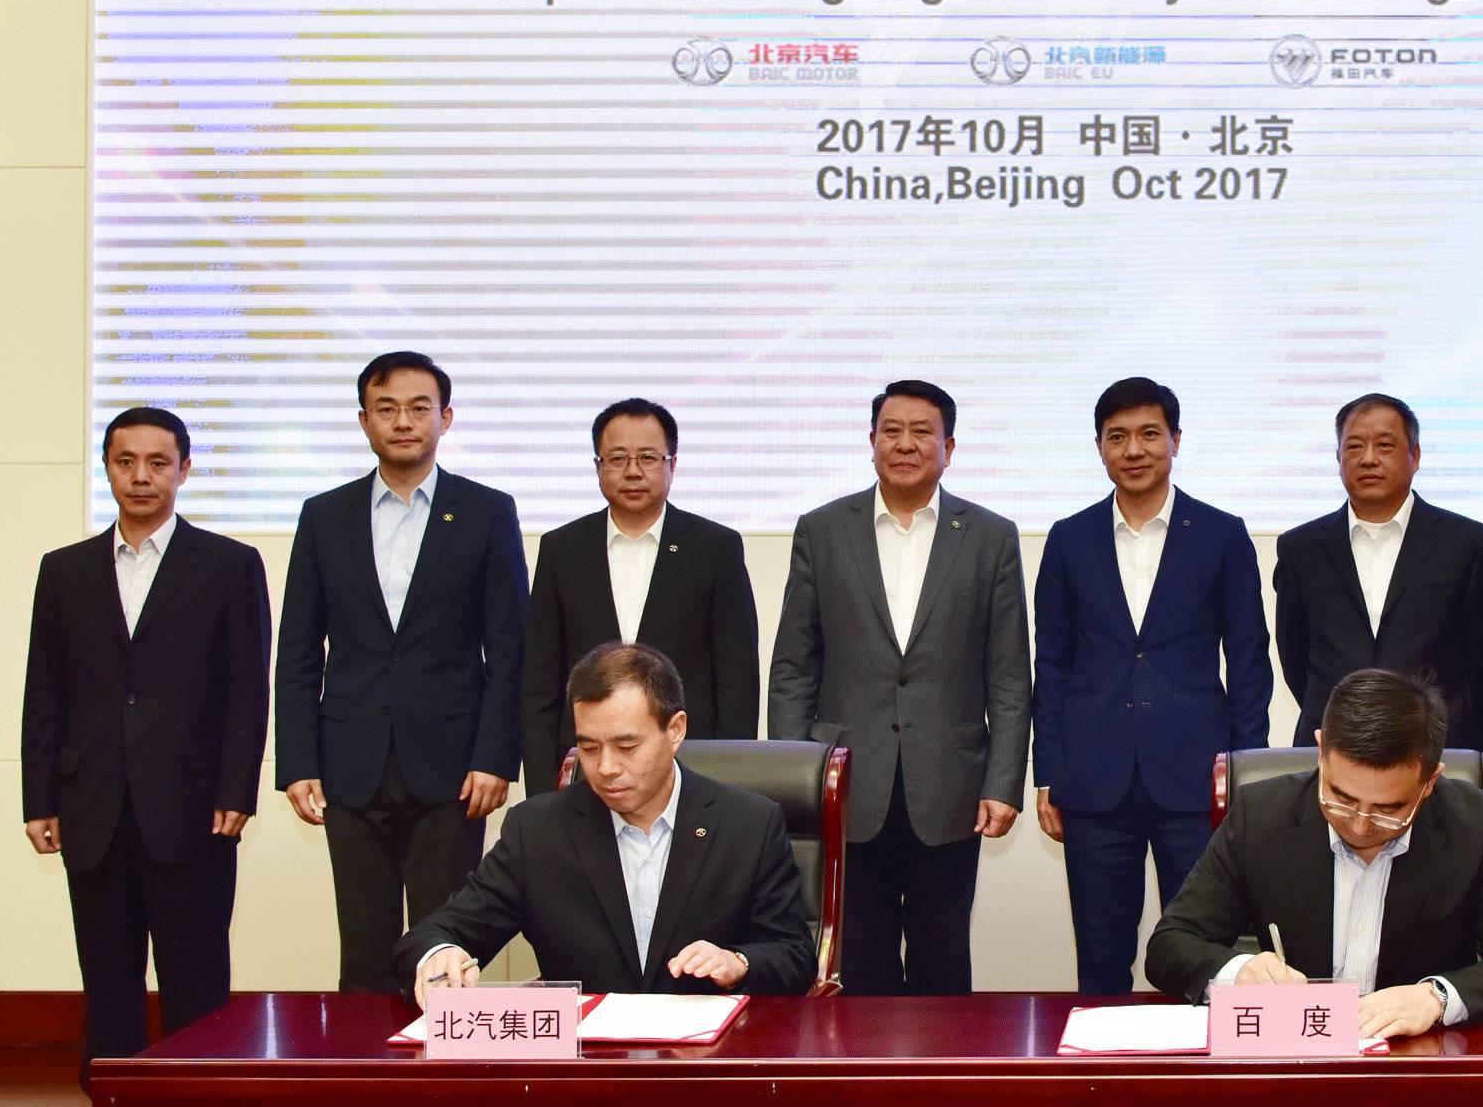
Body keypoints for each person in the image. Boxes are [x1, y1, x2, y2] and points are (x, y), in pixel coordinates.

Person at [20, 406, 269, 1107]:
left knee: (196, 981)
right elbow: (45, 692)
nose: (141, 476)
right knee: (110, 984)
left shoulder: (228, 565)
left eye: (158, 462)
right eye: (126, 460)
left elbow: (246, 689)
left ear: (184, 469)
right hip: (91, 805)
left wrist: (237, 787)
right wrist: (39, 796)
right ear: (107, 467)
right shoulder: (65, 570)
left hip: (195, 808)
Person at [273, 352, 528, 994]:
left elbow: (510, 649)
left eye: (419, 408)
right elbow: (298, 650)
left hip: (454, 769)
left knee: (446, 944)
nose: (404, 421)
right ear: (364, 421)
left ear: (446, 418)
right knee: (363, 946)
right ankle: (364, 1061)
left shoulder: (487, 512)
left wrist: (496, 758)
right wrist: (298, 761)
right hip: (349, 762)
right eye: (386, 409)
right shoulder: (324, 515)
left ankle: (444, 1060)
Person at [768, 379, 1032, 995]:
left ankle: (945, 1061)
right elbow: (794, 666)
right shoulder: (822, 530)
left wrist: (1002, 783)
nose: (905, 444)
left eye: (921, 432)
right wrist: (797, 776)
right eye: (892, 431)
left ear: (949, 448)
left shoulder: (990, 536)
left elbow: (1008, 675)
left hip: (951, 784)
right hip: (846, 783)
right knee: (859, 965)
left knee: (943, 962)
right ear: (871, 442)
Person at [1146, 668, 1483, 1034]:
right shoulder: (1260, 815)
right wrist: (1239, 972)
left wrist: (1435, 998)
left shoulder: (1479, 826)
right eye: (1341, 798)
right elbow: (1171, 945)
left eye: (1389, 809)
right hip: (1298, 1055)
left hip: (1418, 1061)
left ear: (1430, 782)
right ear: (1321, 750)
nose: (1360, 825)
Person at [399, 643, 814, 1000]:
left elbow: (794, 956)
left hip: (707, 1058)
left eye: (626, 746)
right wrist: (439, 954)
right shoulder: (538, 832)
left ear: (675, 730)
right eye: (589, 748)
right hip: (586, 1058)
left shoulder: (748, 825)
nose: (606, 768)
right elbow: (434, 935)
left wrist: (738, 963)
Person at [1032, 377, 1270, 995]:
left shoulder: (1222, 534)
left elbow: (1249, 663)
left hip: (1195, 779)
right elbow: (1051, 664)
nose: (1133, 450)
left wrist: (1243, 771)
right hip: (1093, 781)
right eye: (1117, 437)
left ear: (1175, 440)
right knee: (1100, 956)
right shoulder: (1069, 538)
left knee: (1202, 952)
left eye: (1148, 434)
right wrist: (1048, 772)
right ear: (1099, 447)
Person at [520, 398, 759, 797]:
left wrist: (726, 786)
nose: (633, 471)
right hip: (586, 768)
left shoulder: (715, 548)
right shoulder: (562, 549)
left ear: (672, 465)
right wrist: (544, 794)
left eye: (648, 457)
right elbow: (540, 682)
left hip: (688, 766)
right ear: (598, 467)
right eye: (617, 459)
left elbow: (737, 681)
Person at [1272, 393, 1483, 748]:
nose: (1368, 458)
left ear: (1415, 456)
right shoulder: (1301, 548)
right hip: (1332, 744)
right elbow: (1294, 657)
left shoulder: (1468, 544)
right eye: (1354, 446)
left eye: (1385, 445)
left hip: (1435, 746)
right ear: (1338, 458)